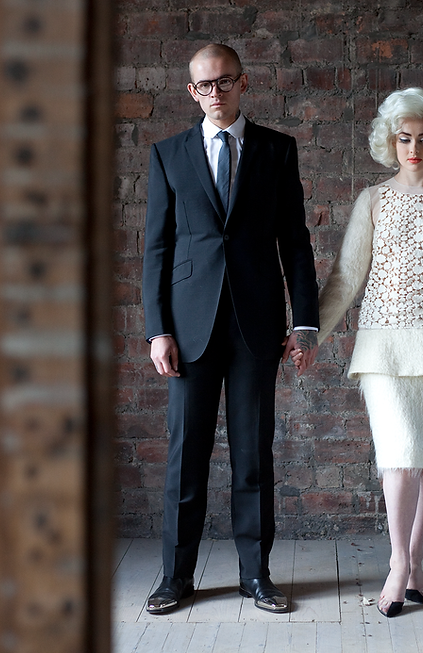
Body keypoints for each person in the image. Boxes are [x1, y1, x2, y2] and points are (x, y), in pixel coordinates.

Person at [298, 88, 423, 617]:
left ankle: (416, 559)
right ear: (391, 142)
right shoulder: (372, 200)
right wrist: (309, 333)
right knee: (399, 456)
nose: (414, 148)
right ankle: (397, 566)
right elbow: (345, 279)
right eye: (405, 138)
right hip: (384, 347)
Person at [142, 43, 319, 615]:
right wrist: (156, 330)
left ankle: (255, 575)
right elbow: (157, 250)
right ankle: (175, 578)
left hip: (256, 324)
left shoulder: (276, 150)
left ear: (244, 83)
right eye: (202, 86)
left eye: (223, 82)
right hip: (188, 327)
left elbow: (295, 241)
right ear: (191, 92)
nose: (213, 93)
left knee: (253, 456)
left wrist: (305, 321)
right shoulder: (168, 155)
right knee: (184, 456)